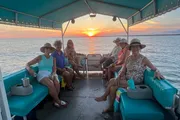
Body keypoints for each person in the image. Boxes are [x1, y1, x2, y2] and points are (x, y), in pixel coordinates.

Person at [95, 38, 164, 112]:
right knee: (112, 88)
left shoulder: (144, 59)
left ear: (140, 48)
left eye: (137, 46)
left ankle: (104, 96)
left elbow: (154, 68)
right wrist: (119, 76)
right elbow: (123, 69)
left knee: (112, 81)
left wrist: (157, 71)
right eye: (133, 47)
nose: (135, 48)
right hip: (127, 80)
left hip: (135, 83)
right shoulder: (128, 58)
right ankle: (111, 107)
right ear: (130, 48)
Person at [26, 43, 67, 108]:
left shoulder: (53, 59)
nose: (48, 49)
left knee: (57, 83)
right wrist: (30, 70)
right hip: (42, 74)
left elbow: (54, 69)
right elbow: (27, 64)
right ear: (44, 49)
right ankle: (58, 101)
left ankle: (55, 101)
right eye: (46, 48)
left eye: (49, 48)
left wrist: (53, 75)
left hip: (51, 73)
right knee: (51, 84)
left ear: (51, 50)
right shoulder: (40, 57)